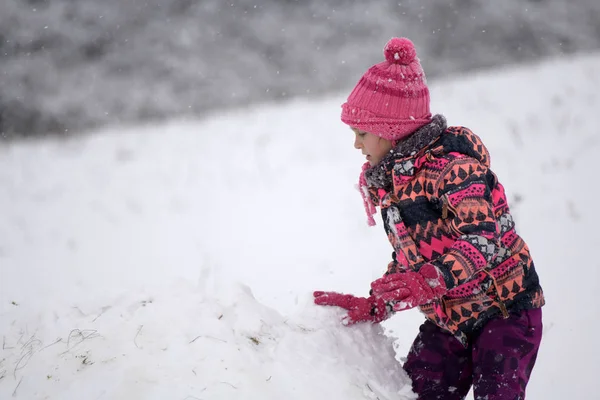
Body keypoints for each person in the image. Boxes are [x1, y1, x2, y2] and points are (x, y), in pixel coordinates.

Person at [313, 37, 545, 400]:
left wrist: (431, 280)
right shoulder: (391, 184)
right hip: (448, 319)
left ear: (391, 131)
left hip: (506, 310)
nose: (357, 145)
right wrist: (381, 302)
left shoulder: (454, 171)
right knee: (417, 393)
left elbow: (484, 239)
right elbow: (411, 258)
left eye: (362, 134)